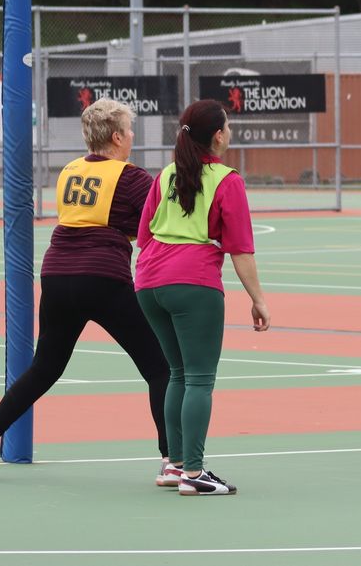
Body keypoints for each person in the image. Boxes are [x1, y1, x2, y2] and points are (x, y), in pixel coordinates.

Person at [0, 100, 171, 482]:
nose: (133, 136)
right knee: (159, 368)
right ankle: (173, 460)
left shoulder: (69, 171)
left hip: (56, 274)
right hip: (103, 276)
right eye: (130, 129)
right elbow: (163, 219)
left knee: (44, 369)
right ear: (117, 136)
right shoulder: (133, 177)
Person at [135, 99, 270, 496]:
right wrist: (258, 298)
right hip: (192, 282)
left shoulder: (166, 175)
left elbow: (143, 236)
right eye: (227, 127)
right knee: (198, 379)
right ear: (217, 135)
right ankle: (194, 472)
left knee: (177, 374)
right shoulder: (227, 180)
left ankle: (175, 465)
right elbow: (241, 249)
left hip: (148, 281)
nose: (230, 133)